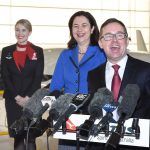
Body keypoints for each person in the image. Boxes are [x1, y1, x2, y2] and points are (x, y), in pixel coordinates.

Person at [87, 18, 150, 150]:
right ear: (100, 43)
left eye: (120, 35)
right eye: (108, 36)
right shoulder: (93, 75)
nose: (114, 40)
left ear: (127, 40)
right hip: (100, 144)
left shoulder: (146, 70)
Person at [49, 11, 106, 150]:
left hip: (92, 116)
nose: (79, 30)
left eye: (84, 25)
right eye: (75, 26)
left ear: (92, 29)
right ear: (71, 30)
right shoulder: (65, 54)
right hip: (67, 117)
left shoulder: (102, 54)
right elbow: (55, 85)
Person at [1, 19, 44, 150]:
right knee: (18, 136)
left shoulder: (38, 51)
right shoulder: (6, 51)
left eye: (23, 30)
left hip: (32, 100)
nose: (20, 33)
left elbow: (37, 78)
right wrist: (17, 97)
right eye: (17, 30)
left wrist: (28, 98)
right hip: (12, 101)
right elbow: (5, 76)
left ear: (29, 32)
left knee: (31, 136)